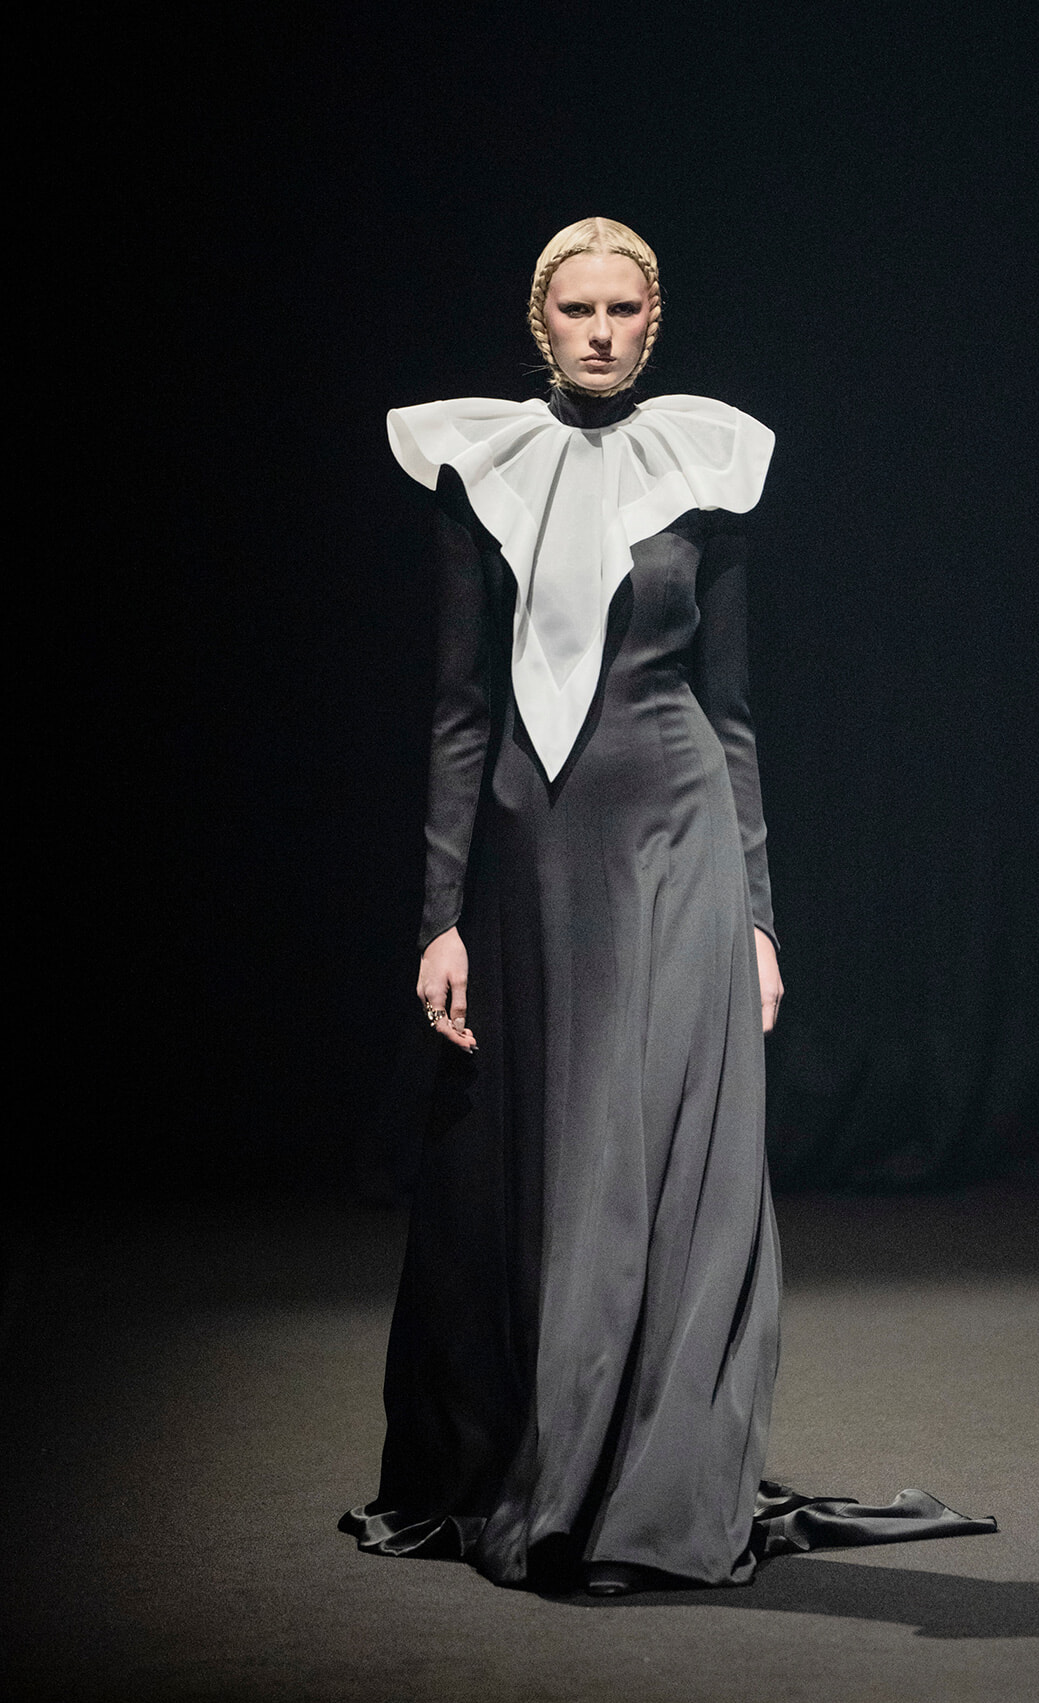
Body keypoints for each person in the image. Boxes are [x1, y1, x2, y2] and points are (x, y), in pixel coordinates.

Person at [340, 218, 995, 1593]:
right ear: (540, 322)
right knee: (548, 1160)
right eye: (575, 309)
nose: (598, 332)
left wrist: (758, 912)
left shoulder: (707, 464)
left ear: (654, 320)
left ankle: (648, 1489)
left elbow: (731, 711)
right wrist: (437, 913)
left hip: (680, 835)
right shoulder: (477, 466)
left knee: (665, 1157)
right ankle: (547, 1461)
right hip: (530, 854)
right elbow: (460, 710)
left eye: (622, 309)